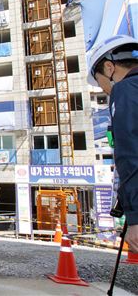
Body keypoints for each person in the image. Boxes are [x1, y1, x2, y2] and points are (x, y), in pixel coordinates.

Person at [87, 35, 138, 253]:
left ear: (110, 67)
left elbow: (130, 152)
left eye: (100, 83)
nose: (103, 89)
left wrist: (134, 216)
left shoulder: (125, 89)